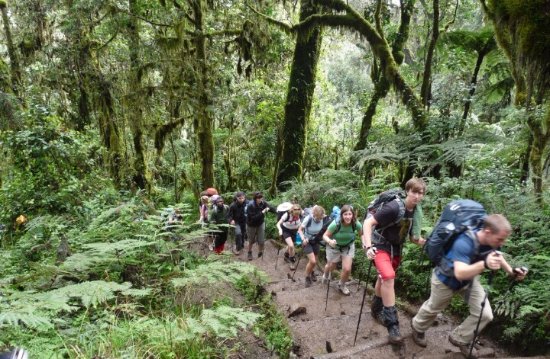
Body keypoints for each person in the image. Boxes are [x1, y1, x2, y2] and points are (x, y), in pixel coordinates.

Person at [411, 214, 527, 358]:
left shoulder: (494, 240)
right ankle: (417, 327)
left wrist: (512, 271)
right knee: (433, 307)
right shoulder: (464, 242)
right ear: (488, 231)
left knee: (485, 314)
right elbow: (460, 272)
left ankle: (460, 338)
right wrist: (484, 264)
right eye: (500, 239)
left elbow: (497, 254)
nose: (501, 243)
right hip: (445, 280)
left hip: (469, 281)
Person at [361, 177, 427, 344]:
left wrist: (429, 243)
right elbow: (368, 223)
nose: (417, 197)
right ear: (407, 192)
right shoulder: (394, 207)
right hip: (380, 245)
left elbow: (413, 238)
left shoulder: (416, 212)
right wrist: (368, 247)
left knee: (383, 278)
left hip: (396, 249)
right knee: (389, 277)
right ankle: (393, 325)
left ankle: (376, 309)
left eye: (420, 193)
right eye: (414, 192)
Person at [322, 205, 363, 296]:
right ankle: (325, 275)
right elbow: (324, 236)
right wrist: (329, 241)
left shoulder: (356, 224)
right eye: (345, 214)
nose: (348, 217)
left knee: (347, 269)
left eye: (350, 214)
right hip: (334, 246)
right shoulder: (335, 224)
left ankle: (342, 285)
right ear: (341, 215)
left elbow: (362, 234)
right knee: (331, 266)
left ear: (353, 215)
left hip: (348, 246)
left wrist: (365, 244)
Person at [297, 205, 326, 287]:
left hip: (316, 240)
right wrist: (303, 239)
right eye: (318, 218)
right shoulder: (308, 219)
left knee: (315, 261)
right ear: (314, 215)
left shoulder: (323, 217)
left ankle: (311, 272)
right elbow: (300, 230)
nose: (319, 219)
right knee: (312, 261)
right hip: (307, 241)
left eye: (321, 218)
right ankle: (307, 277)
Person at [246, 191, 276, 260]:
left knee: (261, 240)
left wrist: (277, 211)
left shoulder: (263, 203)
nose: (260, 199)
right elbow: (252, 218)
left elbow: (270, 207)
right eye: (258, 198)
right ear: (255, 198)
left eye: (261, 198)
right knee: (251, 240)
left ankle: (260, 253)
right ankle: (249, 252)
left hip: (260, 223)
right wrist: (262, 212)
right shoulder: (250, 205)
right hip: (251, 224)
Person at [276, 203, 303, 270]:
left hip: (295, 231)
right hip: (286, 231)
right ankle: (292, 262)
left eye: (297, 214)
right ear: (292, 211)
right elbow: (278, 223)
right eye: (295, 214)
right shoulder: (286, 215)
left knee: (290, 246)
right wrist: (280, 230)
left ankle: (286, 254)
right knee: (291, 246)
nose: (296, 216)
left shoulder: (300, 214)